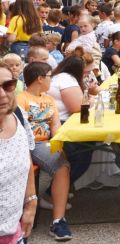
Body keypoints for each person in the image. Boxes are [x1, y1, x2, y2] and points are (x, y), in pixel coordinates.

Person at [16, 61, 73, 240]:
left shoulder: (48, 99)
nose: (52, 81)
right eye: (50, 76)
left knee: (62, 166)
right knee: (61, 165)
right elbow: (20, 128)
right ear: (40, 79)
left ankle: (58, 221)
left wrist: (58, 143)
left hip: (43, 143)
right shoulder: (21, 98)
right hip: (25, 142)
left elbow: (55, 125)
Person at [0, 64, 38, 242]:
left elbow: (26, 157)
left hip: (14, 233)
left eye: (8, 85)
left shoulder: (18, 116)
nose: (2, 94)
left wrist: (31, 202)